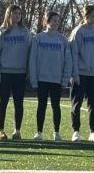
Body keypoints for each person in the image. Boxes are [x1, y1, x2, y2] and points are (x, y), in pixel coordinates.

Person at [29, 10, 72, 141]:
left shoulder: (63, 39)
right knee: (41, 105)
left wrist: (65, 79)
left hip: (56, 80)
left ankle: (56, 132)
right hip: (42, 79)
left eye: (58, 21)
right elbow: (33, 60)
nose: (56, 23)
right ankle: (39, 132)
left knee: (56, 106)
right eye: (53, 20)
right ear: (47, 21)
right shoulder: (38, 38)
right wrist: (34, 79)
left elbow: (67, 61)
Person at [0, 4, 31, 141]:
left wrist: (29, 72)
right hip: (4, 72)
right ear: (8, 15)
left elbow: (29, 54)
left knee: (18, 102)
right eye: (14, 13)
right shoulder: (0, 32)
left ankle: (17, 131)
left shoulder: (25, 32)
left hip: (20, 73)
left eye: (19, 14)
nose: (17, 16)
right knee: (2, 102)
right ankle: (0, 131)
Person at [69, 4, 94, 142]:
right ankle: (76, 131)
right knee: (76, 104)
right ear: (86, 16)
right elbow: (74, 54)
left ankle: (93, 131)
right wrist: (75, 73)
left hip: (93, 74)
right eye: (93, 16)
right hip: (80, 74)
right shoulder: (78, 32)